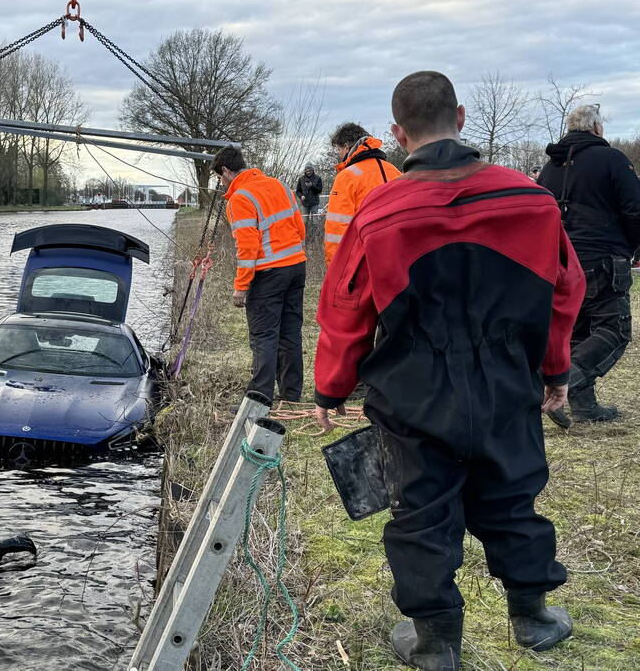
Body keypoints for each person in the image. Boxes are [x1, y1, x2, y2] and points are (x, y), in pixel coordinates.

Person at [313, 71, 584, 670]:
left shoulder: (379, 211)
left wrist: (329, 389)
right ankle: (532, 617)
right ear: (460, 118)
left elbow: (344, 305)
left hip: (413, 388)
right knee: (513, 493)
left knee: (421, 509)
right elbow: (566, 291)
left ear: (397, 133)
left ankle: (436, 644)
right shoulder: (531, 199)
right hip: (507, 378)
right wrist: (554, 370)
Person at [538, 103, 640, 424]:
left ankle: (584, 407)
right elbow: (635, 210)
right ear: (596, 128)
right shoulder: (612, 160)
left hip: (562, 260)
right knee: (614, 329)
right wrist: (633, 248)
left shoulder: (549, 169)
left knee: (579, 329)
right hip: (604, 257)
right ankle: (568, 383)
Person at [212, 146, 306, 402]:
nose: (222, 183)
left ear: (226, 171)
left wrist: (241, 285)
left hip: (268, 273)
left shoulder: (240, 198)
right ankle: (291, 396)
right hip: (297, 266)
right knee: (290, 332)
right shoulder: (278, 185)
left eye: (220, 178)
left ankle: (259, 398)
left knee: (264, 335)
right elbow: (300, 226)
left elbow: (247, 247)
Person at [323, 122, 402, 267]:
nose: (339, 155)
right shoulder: (395, 171)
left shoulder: (346, 177)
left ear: (346, 147)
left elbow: (337, 230)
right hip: (399, 257)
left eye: (339, 149)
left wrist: (335, 269)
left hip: (363, 263)